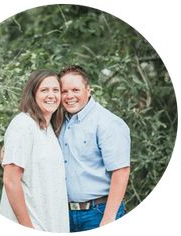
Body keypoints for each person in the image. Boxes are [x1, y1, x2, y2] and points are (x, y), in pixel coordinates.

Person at [58, 65, 131, 232]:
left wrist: (108, 218)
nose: (70, 96)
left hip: (99, 213)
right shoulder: (59, 121)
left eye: (75, 90)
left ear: (88, 90)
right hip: (64, 214)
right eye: (64, 91)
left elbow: (121, 171)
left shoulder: (107, 123)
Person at [0, 69, 69, 233]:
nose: (51, 95)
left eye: (55, 90)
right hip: (31, 224)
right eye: (44, 90)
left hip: (51, 223)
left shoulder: (48, 128)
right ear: (33, 94)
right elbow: (11, 181)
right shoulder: (23, 125)